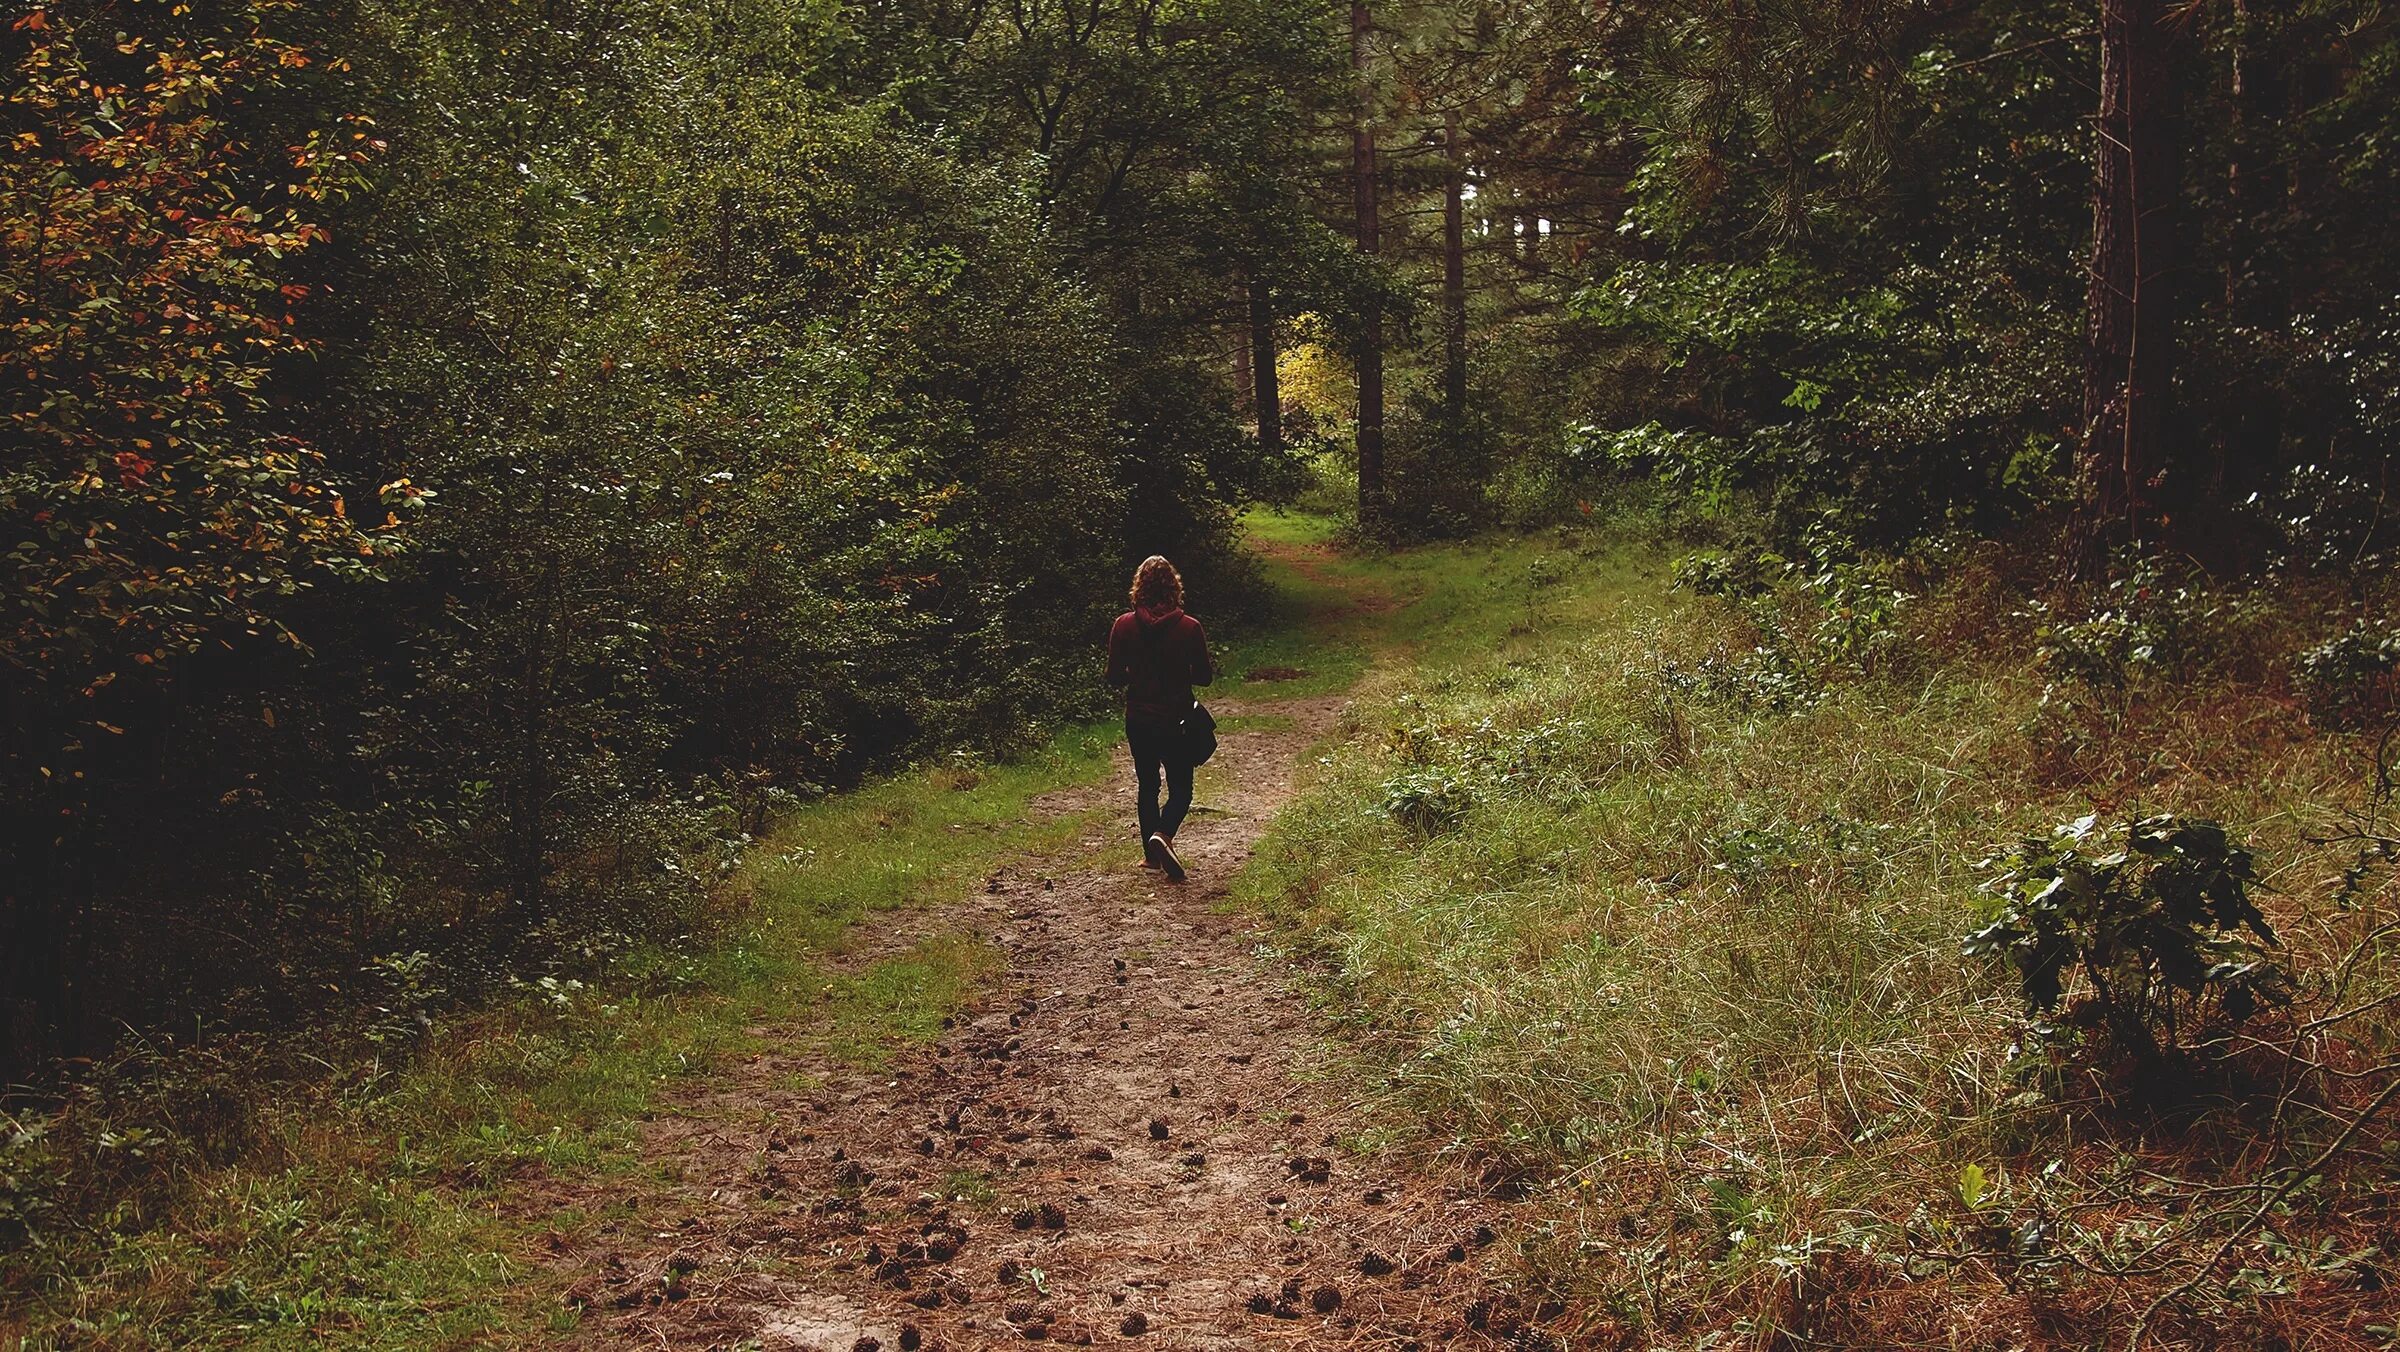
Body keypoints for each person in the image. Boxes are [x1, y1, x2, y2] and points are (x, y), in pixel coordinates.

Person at [1105, 555, 1213, 883]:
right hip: (1177, 720)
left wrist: (1133, 672)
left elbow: (1112, 678)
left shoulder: (1123, 625)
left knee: (1148, 785)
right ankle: (1163, 835)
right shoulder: (1189, 627)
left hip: (1138, 719)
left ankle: (1151, 857)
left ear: (1139, 587)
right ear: (1174, 587)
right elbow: (1205, 678)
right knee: (1181, 788)